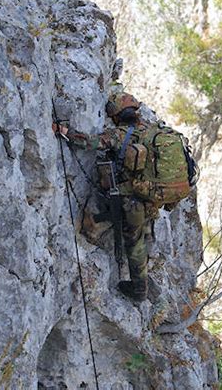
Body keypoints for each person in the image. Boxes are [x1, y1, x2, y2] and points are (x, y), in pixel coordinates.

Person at [53, 92, 158, 302]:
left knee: (131, 241)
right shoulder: (152, 132)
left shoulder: (120, 135)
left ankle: (139, 289)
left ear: (117, 114)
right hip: (152, 197)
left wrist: (64, 131)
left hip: (130, 201)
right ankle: (146, 274)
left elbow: (90, 142)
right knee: (144, 235)